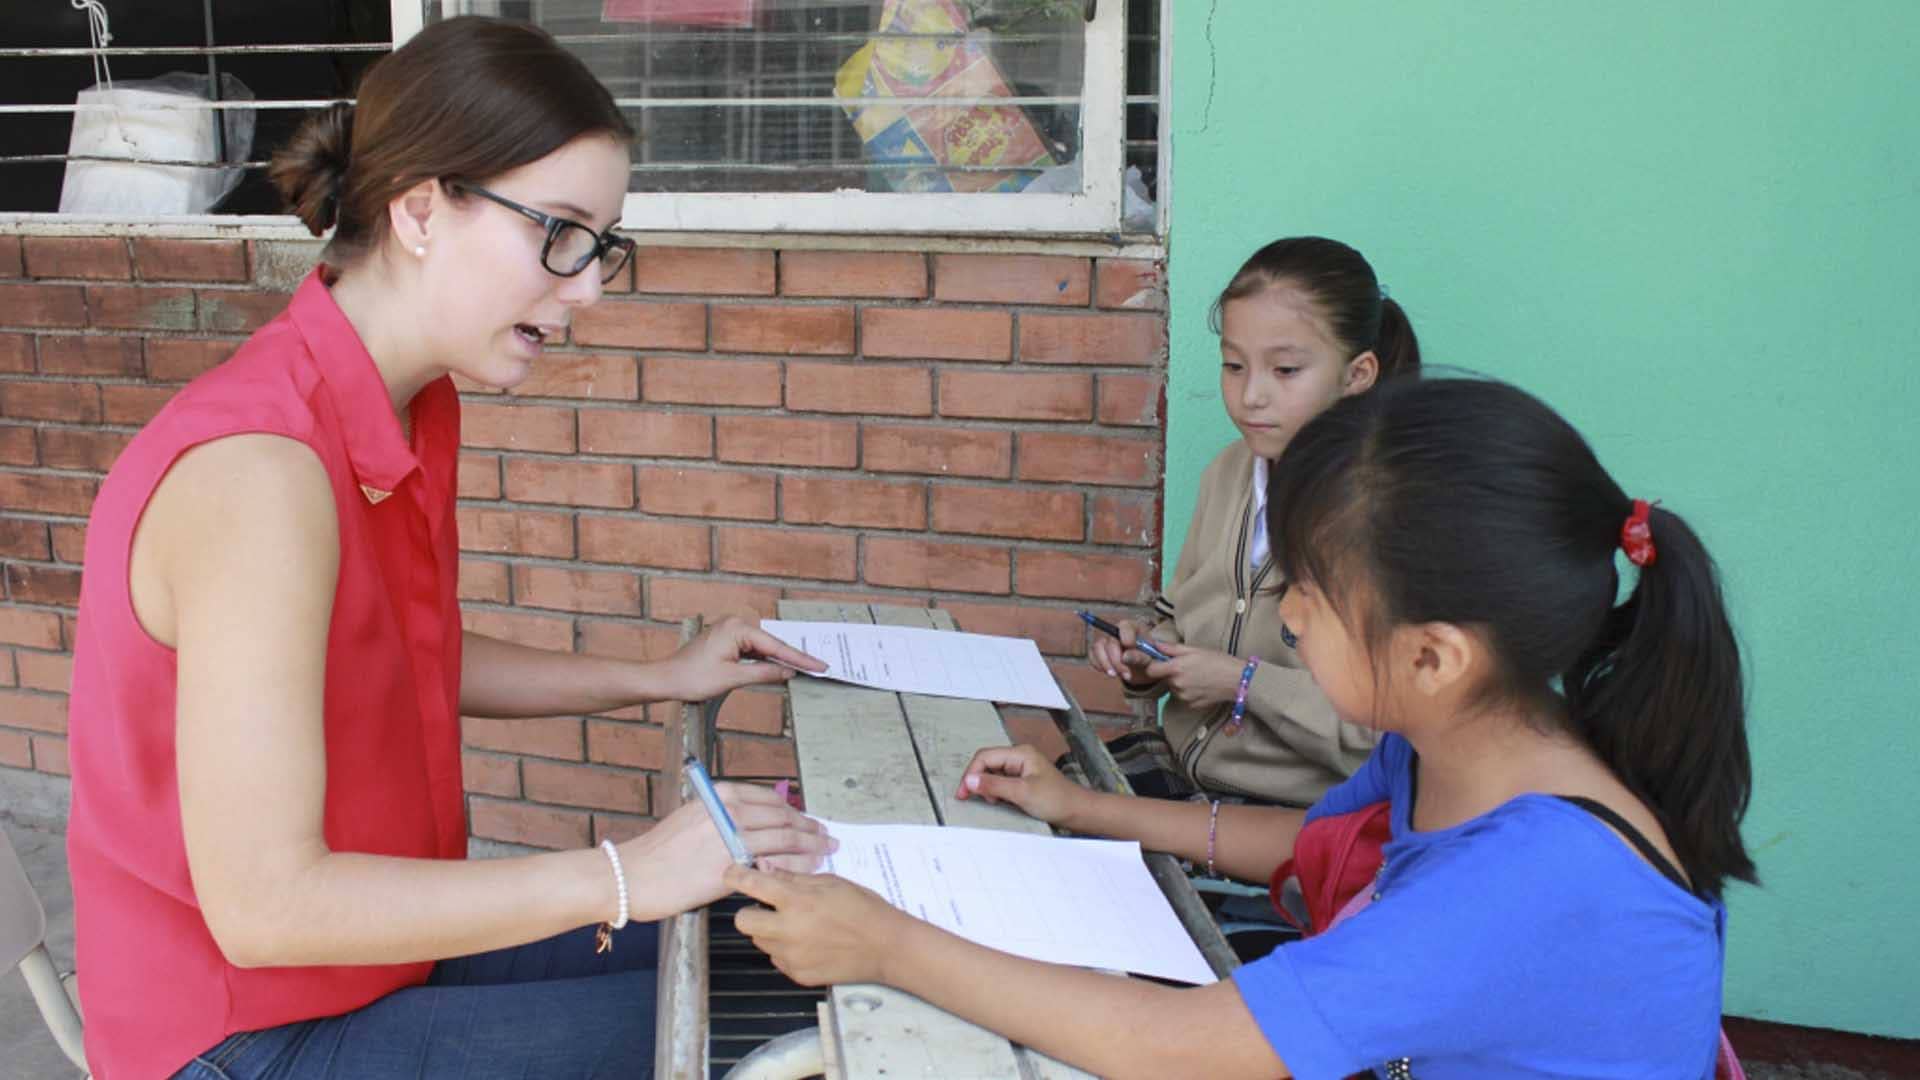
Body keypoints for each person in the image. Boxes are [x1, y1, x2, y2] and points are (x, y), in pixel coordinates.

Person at [63, 18, 832, 1080]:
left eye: (602, 243)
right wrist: (621, 874)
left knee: (794, 943)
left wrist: (658, 676)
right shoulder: (259, 470)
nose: (589, 287)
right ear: (422, 207)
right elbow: (267, 909)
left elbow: (404, 656)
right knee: (766, 1036)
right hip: (240, 1036)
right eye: (559, 231)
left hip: (378, 967)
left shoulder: (403, 404)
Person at [730, 376, 1756, 1079]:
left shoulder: (1533, 881)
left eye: (1309, 588)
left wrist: (886, 944)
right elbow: (1313, 846)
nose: (1289, 611)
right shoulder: (1461, 740)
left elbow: (1177, 1049)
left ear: (1434, 654)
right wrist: (1080, 806)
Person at [1089, 237, 1419, 807]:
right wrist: (1149, 656)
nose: (1250, 396)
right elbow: (1180, 614)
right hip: (1183, 772)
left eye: (1286, 369)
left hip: (1298, 814)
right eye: (1233, 365)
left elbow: (1390, 735)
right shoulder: (1229, 472)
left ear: (1357, 373)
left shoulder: (1390, 515)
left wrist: (1245, 683)